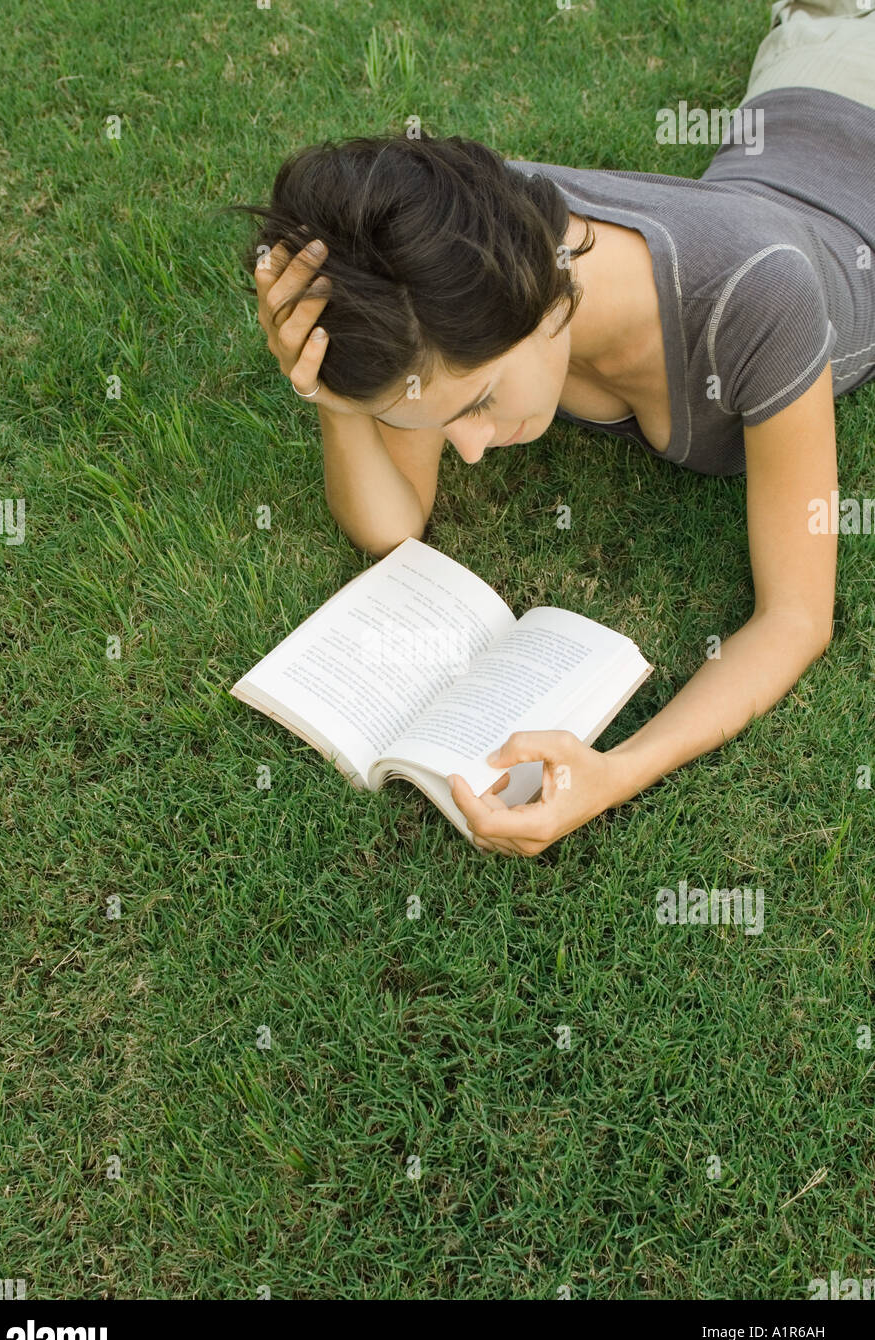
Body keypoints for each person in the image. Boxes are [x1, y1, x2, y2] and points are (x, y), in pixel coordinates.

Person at [234, 1, 875, 856]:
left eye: (476, 404)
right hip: (796, 94)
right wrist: (334, 389)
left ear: (544, 303)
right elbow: (393, 526)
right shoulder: (455, 263)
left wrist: (619, 769)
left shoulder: (759, 297)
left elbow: (796, 619)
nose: (466, 449)